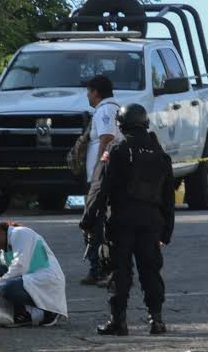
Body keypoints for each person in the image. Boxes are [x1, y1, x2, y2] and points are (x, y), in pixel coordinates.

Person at [80, 103, 175, 336]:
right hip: (151, 222)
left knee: (120, 272)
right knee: (151, 271)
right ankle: (157, 321)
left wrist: (88, 222)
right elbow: (168, 197)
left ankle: (118, 322)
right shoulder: (160, 154)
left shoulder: (116, 149)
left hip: (122, 221)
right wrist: (166, 231)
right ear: (145, 123)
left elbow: (99, 188)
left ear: (121, 125)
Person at [0, 218, 67, 327]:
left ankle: (48, 313)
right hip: (30, 280)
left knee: (7, 288)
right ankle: (22, 313)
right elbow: (8, 275)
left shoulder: (21, 234)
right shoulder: (4, 251)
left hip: (47, 281)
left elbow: (19, 266)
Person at [81, 75, 122, 286]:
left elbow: (107, 138)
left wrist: (98, 169)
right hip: (109, 176)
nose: (87, 96)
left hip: (103, 178)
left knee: (94, 222)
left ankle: (97, 268)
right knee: (104, 222)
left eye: (89, 91)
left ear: (96, 92)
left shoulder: (105, 110)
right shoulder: (115, 108)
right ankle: (105, 267)